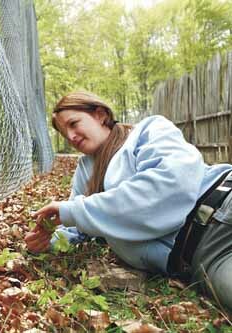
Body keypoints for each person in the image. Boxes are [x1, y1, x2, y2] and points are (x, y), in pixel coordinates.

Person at [24, 91, 232, 313]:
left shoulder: (149, 130)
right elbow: (78, 227)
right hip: (203, 258)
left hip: (222, 204)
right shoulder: (85, 172)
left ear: (100, 114)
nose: (71, 137)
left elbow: (169, 185)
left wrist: (74, 211)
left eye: (74, 124)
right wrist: (48, 241)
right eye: (65, 134)